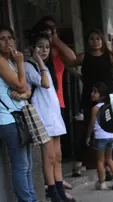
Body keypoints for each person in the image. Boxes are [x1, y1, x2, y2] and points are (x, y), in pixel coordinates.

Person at [0, 25, 52, 202]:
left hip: (19, 116)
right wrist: (21, 63)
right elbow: (22, 84)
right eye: (2, 39)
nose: (8, 42)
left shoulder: (9, 61)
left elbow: (27, 91)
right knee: (20, 165)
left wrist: (24, 92)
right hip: (7, 119)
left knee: (28, 165)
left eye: (10, 38)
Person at [25, 32, 81, 202]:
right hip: (42, 116)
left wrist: (43, 64)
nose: (44, 50)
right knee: (48, 158)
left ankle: (61, 194)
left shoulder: (45, 67)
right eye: (40, 46)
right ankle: (54, 196)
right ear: (32, 48)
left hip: (53, 115)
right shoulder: (29, 66)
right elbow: (45, 84)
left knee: (57, 157)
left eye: (47, 47)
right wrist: (40, 61)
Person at [31, 17, 81, 181]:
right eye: (46, 30)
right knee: (49, 152)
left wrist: (56, 39)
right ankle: (50, 184)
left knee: (57, 152)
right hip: (43, 105)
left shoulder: (56, 50)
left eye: (53, 29)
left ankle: (58, 183)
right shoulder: (39, 56)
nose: (49, 33)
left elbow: (72, 58)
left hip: (57, 101)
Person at [77, 29, 113, 185]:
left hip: (106, 96)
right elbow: (69, 63)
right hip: (90, 96)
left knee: (107, 126)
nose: (95, 41)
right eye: (92, 39)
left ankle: (106, 169)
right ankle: (82, 161)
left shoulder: (109, 56)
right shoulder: (84, 57)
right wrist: (79, 76)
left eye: (98, 39)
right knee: (89, 126)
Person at [87, 83, 113, 191]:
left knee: (100, 161)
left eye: (95, 92)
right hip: (111, 136)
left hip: (100, 137)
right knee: (109, 159)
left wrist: (88, 136)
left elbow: (92, 123)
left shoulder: (95, 108)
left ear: (101, 96)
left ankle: (101, 183)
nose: (92, 94)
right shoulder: (110, 106)